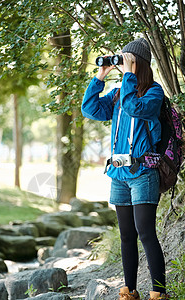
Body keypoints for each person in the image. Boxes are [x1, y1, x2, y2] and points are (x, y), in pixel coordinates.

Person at [81, 38, 170, 300]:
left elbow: (135, 107)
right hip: (119, 175)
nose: (121, 65)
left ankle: (158, 293)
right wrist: (100, 76)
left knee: (145, 232)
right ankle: (129, 291)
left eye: (125, 60)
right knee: (126, 236)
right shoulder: (120, 92)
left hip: (143, 174)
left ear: (138, 63)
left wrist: (129, 75)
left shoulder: (154, 92)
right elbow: (90, 109)